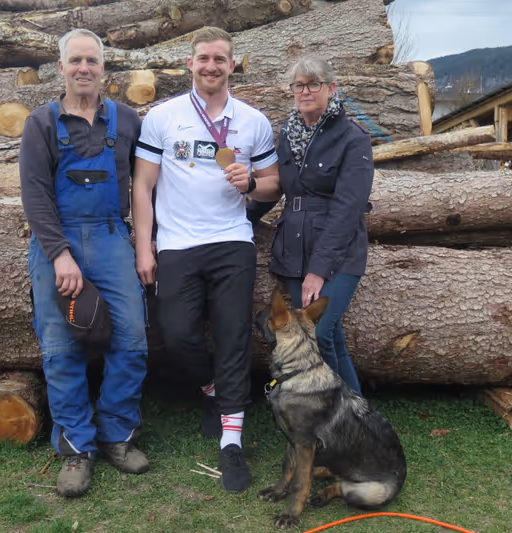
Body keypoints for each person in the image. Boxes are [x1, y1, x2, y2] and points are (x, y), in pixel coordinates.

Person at [131, 27, 279, 494]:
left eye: (220, 59)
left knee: (234, 335)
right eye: (203, 58)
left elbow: (273, 182)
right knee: (174, 332)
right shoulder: (163, 116)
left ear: (232, 65)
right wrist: (144, 246)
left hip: (232, 240)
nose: (211, 66)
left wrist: (250, 184)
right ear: (189, 63)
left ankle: (231, 443)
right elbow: (142, 185)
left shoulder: (253, 121)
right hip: (177, 243)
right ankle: (213, 391)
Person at [19, 28, 149, 499]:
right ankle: (76, 447)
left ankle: (117, 433)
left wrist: (145, 245)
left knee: (131, 337)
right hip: (57, 239)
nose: (84, 68)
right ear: (61, 67)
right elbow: (35, 195)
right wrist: (60, 255)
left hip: (112, 236)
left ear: (103, 67)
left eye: (91, 60)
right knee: (60, 348)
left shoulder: (127, 120)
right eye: (75, 60)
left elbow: (145, 185)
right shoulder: (40, 123)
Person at [250, 56, 374, 395]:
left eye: (313, 84)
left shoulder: (353, 138)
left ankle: (346, 412)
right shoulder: (287, 135)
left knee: (318, 332)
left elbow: (348, 208)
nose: (305, 91)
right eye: (299, 85)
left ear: (331, 88)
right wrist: (241, 220)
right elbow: (278, 188)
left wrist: (319, 270)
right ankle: (353, 412)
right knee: (330, 337)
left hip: (338, 251)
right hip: (293, 247)